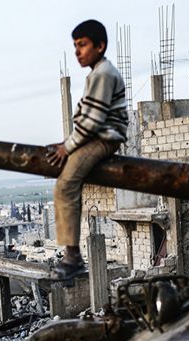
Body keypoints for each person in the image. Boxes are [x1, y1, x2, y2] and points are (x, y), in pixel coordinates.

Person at [46, 19, 128, 279]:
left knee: (66, 184)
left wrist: (67, 147)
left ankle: (73, 257)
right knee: (66, 182)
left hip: (102, 139)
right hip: (97, 137)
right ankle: (72, 253)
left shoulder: (103, 74)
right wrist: (67, 144)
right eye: (75, 46)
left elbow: (92, 122)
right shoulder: (98, 73)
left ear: (100, 46)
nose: (78, 52)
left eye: (82, 45)